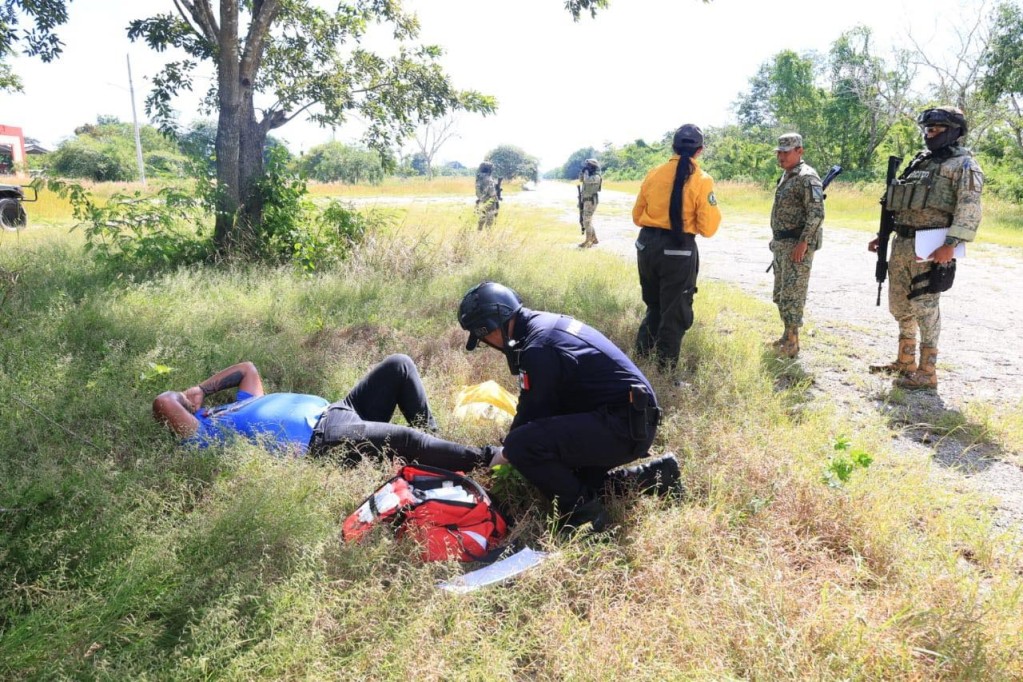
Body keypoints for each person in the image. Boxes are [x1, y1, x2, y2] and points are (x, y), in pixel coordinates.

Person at [457, 281, 679, 533]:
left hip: (624, 425)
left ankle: (584, 518)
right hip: (629, 419)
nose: (488, 343)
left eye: (485, 336)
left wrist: (505, 453)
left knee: (522, 445)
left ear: (496, 323)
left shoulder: (538, 347)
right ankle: (658, 475)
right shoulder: (541, 326)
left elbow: (532, 412)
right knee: (573, 480)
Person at [152, 354, 497, 470]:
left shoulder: (234, 406)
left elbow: (247, 369)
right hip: (322, 438)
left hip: (338, 410)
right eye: (185, 406)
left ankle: (438, 450)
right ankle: (490, 458)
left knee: (399, 366)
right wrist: (181, 398)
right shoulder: (205, 436)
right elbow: (163, 401)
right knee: (405, 439)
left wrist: (201, 389)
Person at [868, 106, 983, 391]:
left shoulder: (964, 165)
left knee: (925, 307)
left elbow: (969, 208)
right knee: (900, 305)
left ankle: (927, 371)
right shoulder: (920, 162)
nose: (929, 133)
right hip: (903, 243)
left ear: (954, 131)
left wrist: (951, 244)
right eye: (927, 128)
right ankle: (904, 361)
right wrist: (883, 235)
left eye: (936, 128)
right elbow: (901, 202)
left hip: (932, 247)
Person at [632, 124, 722, 372]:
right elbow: (708, 228)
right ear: (700, 150)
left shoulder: (654, 173)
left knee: (655, 305)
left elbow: (637, 216)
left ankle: (640, 358)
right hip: (678, 250)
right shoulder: (702, 180)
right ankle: (665, 369)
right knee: (675, 312)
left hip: (646, 246)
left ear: (673, 146)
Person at [767, 133, 825, 358]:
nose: (781, 156)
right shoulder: (787, 176)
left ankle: (792, 342)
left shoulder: (807, 177)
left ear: (799, 151)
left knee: (793, 293)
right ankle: (785, 336)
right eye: (779, 152)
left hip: (796, 245)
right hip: (782, 243)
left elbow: (817, 213)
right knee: (781, 293)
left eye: (786, 152)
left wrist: (804, 243)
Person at [578, 158, 602, 248]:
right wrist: (583, 172)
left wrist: (586, 172)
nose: (587, 167)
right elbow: (581, 179)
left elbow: (587, 181)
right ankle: (594, 238)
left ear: (593, 166)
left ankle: (588, 241)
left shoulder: (596, 176)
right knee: (587, 220)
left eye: (588, 165)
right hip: (586, 200)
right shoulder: (588, 174)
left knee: (587, 221)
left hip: (591, 200)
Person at [475, 161, 499, 230]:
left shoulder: (479, 178)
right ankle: (488, 238)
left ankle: (478, 235)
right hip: (490, 202)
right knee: (489, 222)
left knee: (481, 220)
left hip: (481, 201)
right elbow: (492, 193)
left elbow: (477, 192)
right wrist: (496, 203)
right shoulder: (489, 179)